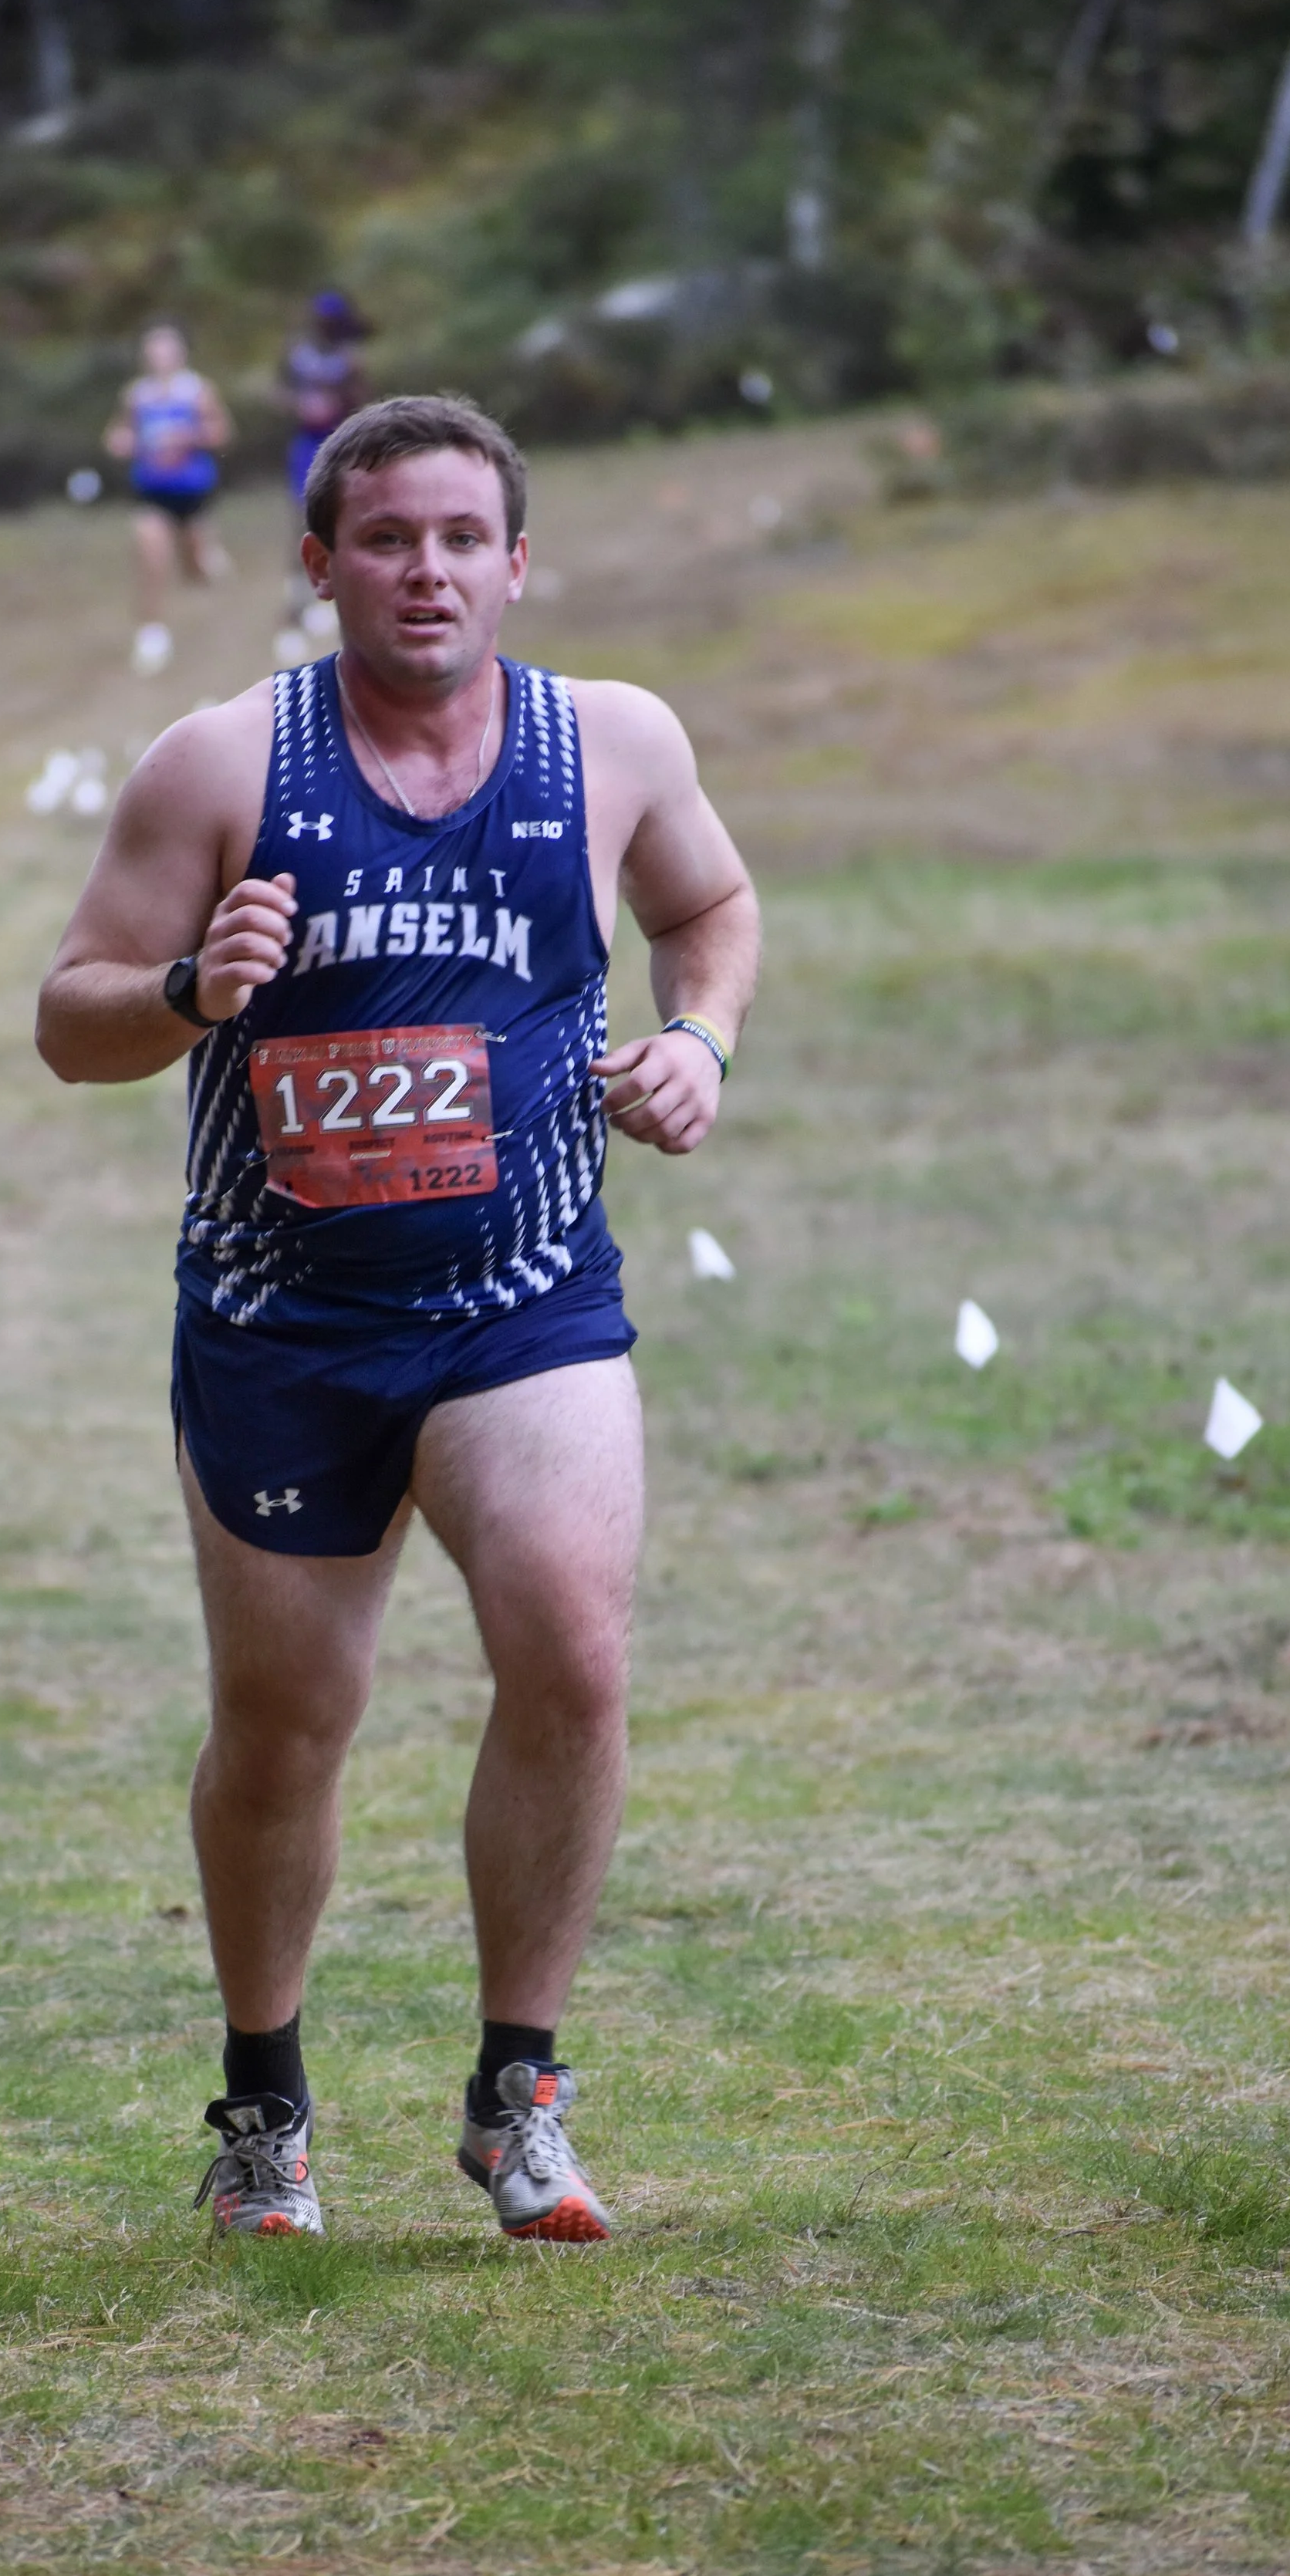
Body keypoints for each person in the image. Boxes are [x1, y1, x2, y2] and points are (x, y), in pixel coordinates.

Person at [37, 394, 759, 2245]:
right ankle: (264, 2106)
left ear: (516, 561)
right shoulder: (217, 765)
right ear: (318, 564)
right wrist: (196, 988)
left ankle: (520, 2089)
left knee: (575, 1651)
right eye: (385, 538)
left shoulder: (610, 740)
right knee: (289, 1721)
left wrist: (697, 1038)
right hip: (282, 1320)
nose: (425, 569)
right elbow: (70, 1016)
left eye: (460, 537)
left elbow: (714, 905)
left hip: (523, 1301)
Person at [104, 322, 234, 677]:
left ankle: (206, 556)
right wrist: (121, 442)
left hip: (192, 492)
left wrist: (187, 436)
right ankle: (152, 633)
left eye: (167, 350)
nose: (160, 357)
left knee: (195, 571)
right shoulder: (137, 395)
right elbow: (118, 432)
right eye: (154, 350)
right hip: (151, 492)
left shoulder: (197, 391)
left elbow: (222, 432)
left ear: (180, 354)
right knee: (151, 557)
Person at [274, 292, 371, 658]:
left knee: (343, 523)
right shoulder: (298, 353)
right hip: (305, 449)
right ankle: (295, 612)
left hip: (341, 444)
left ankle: (333, 599)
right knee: (303, 525)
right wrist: (300, 405)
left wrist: (342, 402)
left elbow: (365, 400)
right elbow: (277, 390)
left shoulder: (350, 358)